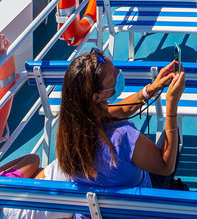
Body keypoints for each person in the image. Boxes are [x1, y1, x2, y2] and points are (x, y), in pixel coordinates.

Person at [54, 48, 187, 204]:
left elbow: (121, 110)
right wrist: (172, 106)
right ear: (97, 97)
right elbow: (165, 166)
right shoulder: (122, 137)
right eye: (112, 74)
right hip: (139, 205)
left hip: (98, 210)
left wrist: (151, 88)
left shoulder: (71, 129)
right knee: (172, 137)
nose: (118, 72)